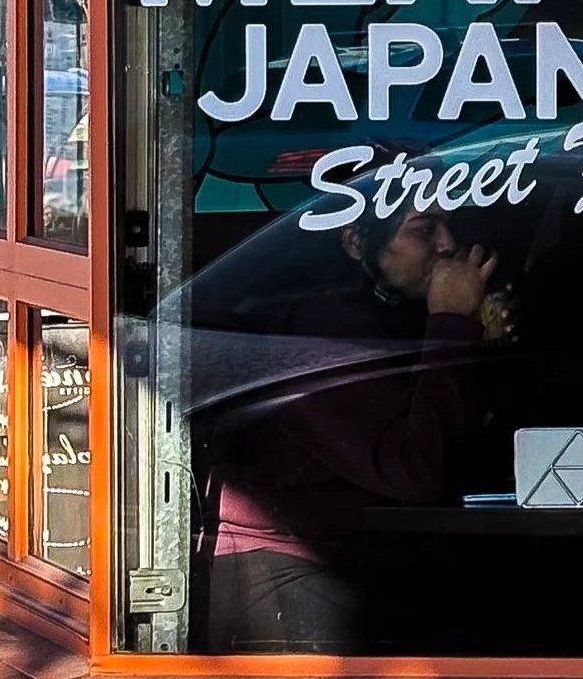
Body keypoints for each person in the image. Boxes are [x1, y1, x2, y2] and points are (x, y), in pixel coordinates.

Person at [203, 199, 496, 653]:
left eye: (449, 225)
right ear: (356, 242)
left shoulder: (384, 319)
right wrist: (451, 324)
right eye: (423, 230)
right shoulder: (314, 332)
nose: (448, 244)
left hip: (363, 569)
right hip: (297, 581)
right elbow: (411, 469)